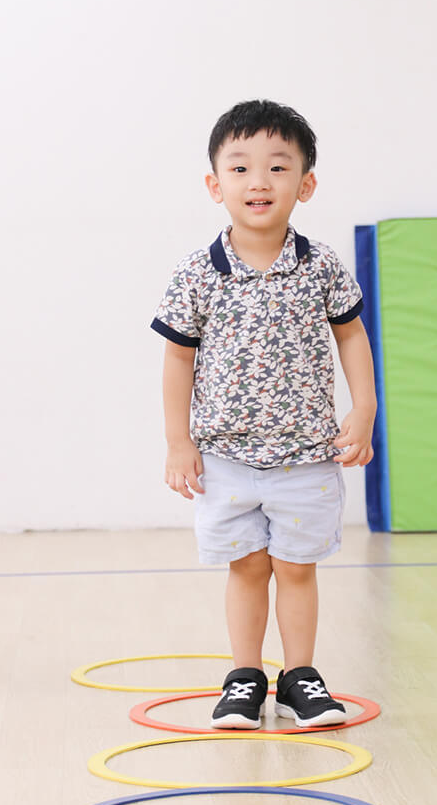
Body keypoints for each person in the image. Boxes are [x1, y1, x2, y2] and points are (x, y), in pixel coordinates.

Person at [151, 99, 376, 728]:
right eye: (241, 167)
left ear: (305, 185)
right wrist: (178, 442)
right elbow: (177, 359)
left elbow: (352, 336)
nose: (259, 181)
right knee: (247, 567)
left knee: (296, 569)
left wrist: (364, 408)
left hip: (306, 455)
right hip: (225, 457)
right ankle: (245, 677)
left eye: (278, 167)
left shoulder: (320, 264)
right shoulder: (199, 273)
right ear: (214, 184)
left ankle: (300, 677)